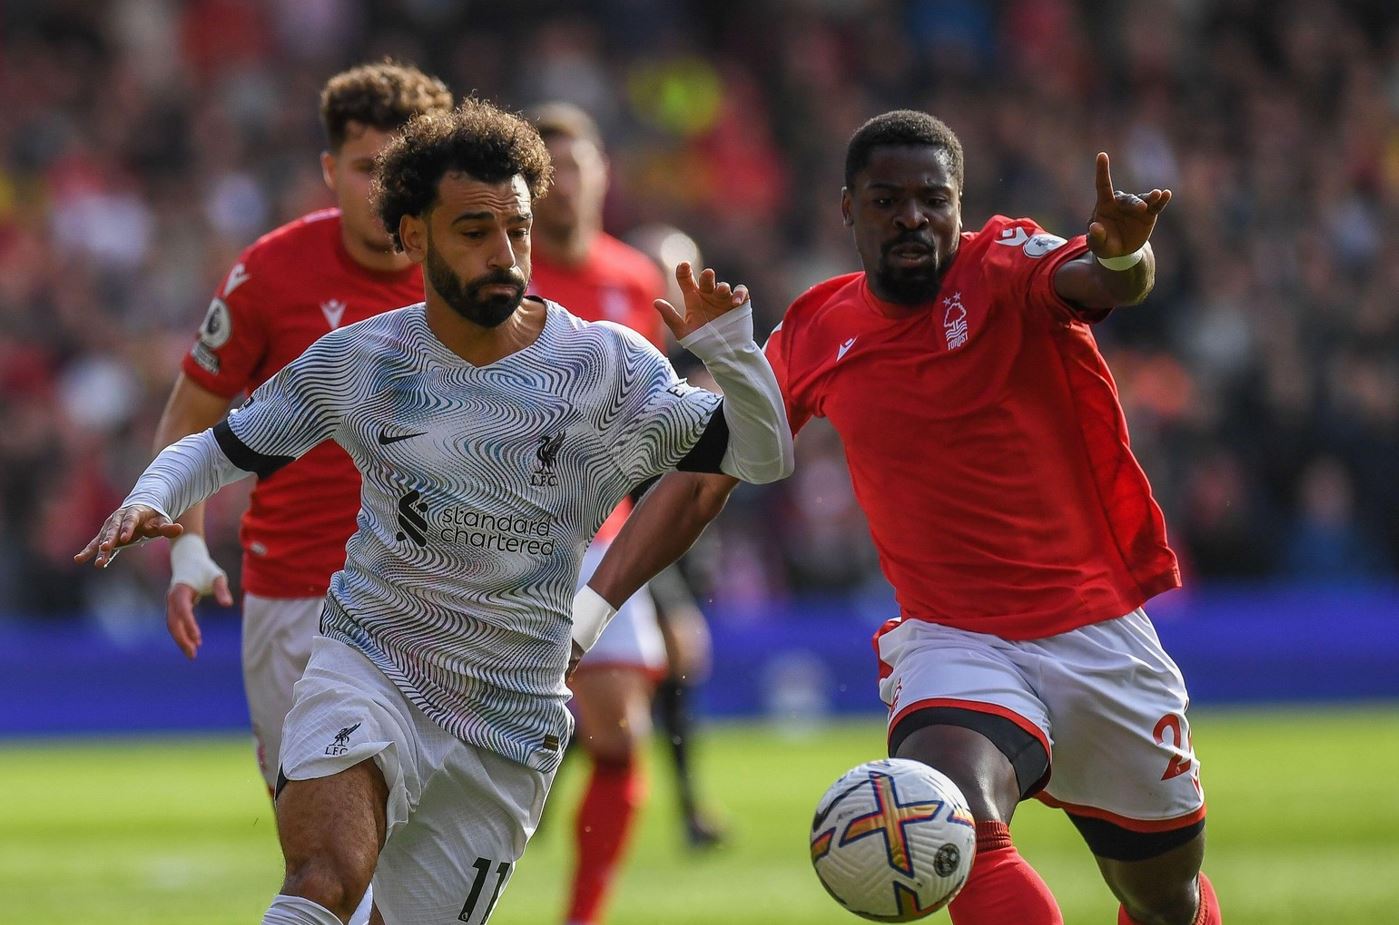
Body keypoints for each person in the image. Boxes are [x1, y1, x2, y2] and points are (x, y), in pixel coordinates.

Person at [77, 97, 793, 925]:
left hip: (509, 712)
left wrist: (734, 352)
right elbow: (219, 449)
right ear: (413, 236)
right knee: (323, 878)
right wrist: (155, 494)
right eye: (474, 230)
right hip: (372, 663)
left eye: (516, 229)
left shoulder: (606, 368)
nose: (505, 253)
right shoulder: (363, 361)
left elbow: (759, 455)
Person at [579, 110, 1223, 925]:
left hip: (1094, 633)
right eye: (886, 200)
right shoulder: (818, 326)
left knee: (1162, 898)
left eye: (932, 198)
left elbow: (1103, 281)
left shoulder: (1004, 264)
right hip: (954, 639)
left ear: (959, 205)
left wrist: (1125, 251)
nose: (911, 216)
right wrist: (590, 611)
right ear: (848, 209)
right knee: (947, 807)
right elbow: (707, 477)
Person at [150, 59, 453, 925]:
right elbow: (190, 418)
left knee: (421, 866)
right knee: (330, 862)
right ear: (330, 170)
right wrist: (186, 544)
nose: (384, 187)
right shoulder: (270, 273)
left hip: (431, 596)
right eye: (366, 167)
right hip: (296, 601)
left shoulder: (467, 271)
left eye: (402, 167)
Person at [526, 102, 723, 925]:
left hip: (597, 525)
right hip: (494, 525)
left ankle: (582, 916)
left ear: (604, 174)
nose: (565, 183)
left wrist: (705, 402)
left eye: (577, 165)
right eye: (549, 170)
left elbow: (663, 398)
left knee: (618, 726)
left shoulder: (635, 279)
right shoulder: (503, 276)